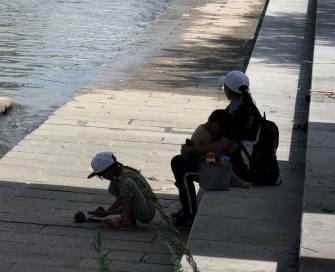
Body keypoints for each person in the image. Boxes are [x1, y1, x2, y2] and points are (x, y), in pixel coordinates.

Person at [171, 69, 260, 229]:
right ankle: (187, 209)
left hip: (233, 166)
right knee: (184, 161)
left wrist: (193, 150)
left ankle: (189, 215)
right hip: (230, 160)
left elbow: (223, 145)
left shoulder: (239, 114)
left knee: (181, 166)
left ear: (227, 91)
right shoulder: (241, 107)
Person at [87, 151, 157, 228]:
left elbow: (125, 203)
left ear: (109, 170)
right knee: (113, 187)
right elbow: (121, 200)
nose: (103, 178)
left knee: (126, 183)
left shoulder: (125, 177)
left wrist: (108, 213)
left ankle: (126, 219)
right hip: (141, 206)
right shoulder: (119, 173)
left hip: (146, 211)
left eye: (102, 175)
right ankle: (129, 217)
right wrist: (106, 212)